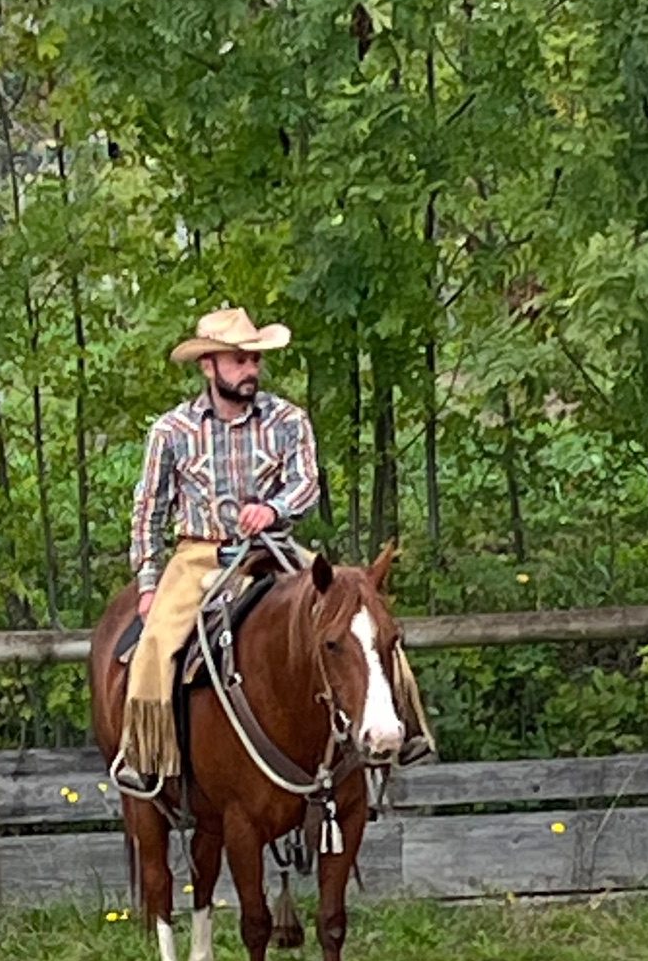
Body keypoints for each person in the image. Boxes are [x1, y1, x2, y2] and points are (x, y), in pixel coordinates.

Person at [113, 305, 434, 796]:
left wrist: (273, 508)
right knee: (157, 642)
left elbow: (306, 482)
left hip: (273, 548)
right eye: (239, 360)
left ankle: (406, 724)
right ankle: (146, 754)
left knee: (364, 610)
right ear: (209, 366)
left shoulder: (287, 419)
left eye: (254, 360)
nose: (251, 369)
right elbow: (148, 510)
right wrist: (149, 583)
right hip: (200, 552)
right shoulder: (172, 431)